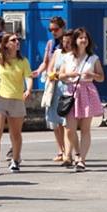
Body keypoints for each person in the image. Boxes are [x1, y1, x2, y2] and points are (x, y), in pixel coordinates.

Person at [58, 27, 105, 171]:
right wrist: (69, 75)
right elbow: (60, 75)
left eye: (85, 38)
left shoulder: (93, 58)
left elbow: (102, 77)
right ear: (75, 40)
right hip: (71, 92)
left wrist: (93, 75)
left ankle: (82, 160)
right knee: (70, 130)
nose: (83, 40)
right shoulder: (68, 57)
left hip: (87, 91)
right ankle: (77, 152)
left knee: (85, 129)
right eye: (80, 38)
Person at [0, 34, 33, 173]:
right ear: (6, 44)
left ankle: (15, 159)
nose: (17, 42)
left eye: (17, 40)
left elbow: (28, 76)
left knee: (15, 133)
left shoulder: (23, 61)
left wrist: (29, 89)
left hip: (16, 99)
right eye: (13, 40)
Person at [44, 30, 73, 163]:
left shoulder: (75, 55)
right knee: (56, 122)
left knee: (67, 123)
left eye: (69, 42)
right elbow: (49, 69)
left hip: (69, 90)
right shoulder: (57, 53)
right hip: (56, 90)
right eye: (64, 42)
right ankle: (61, 151)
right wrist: (54, 75)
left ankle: (69, 154)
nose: (66, 44)